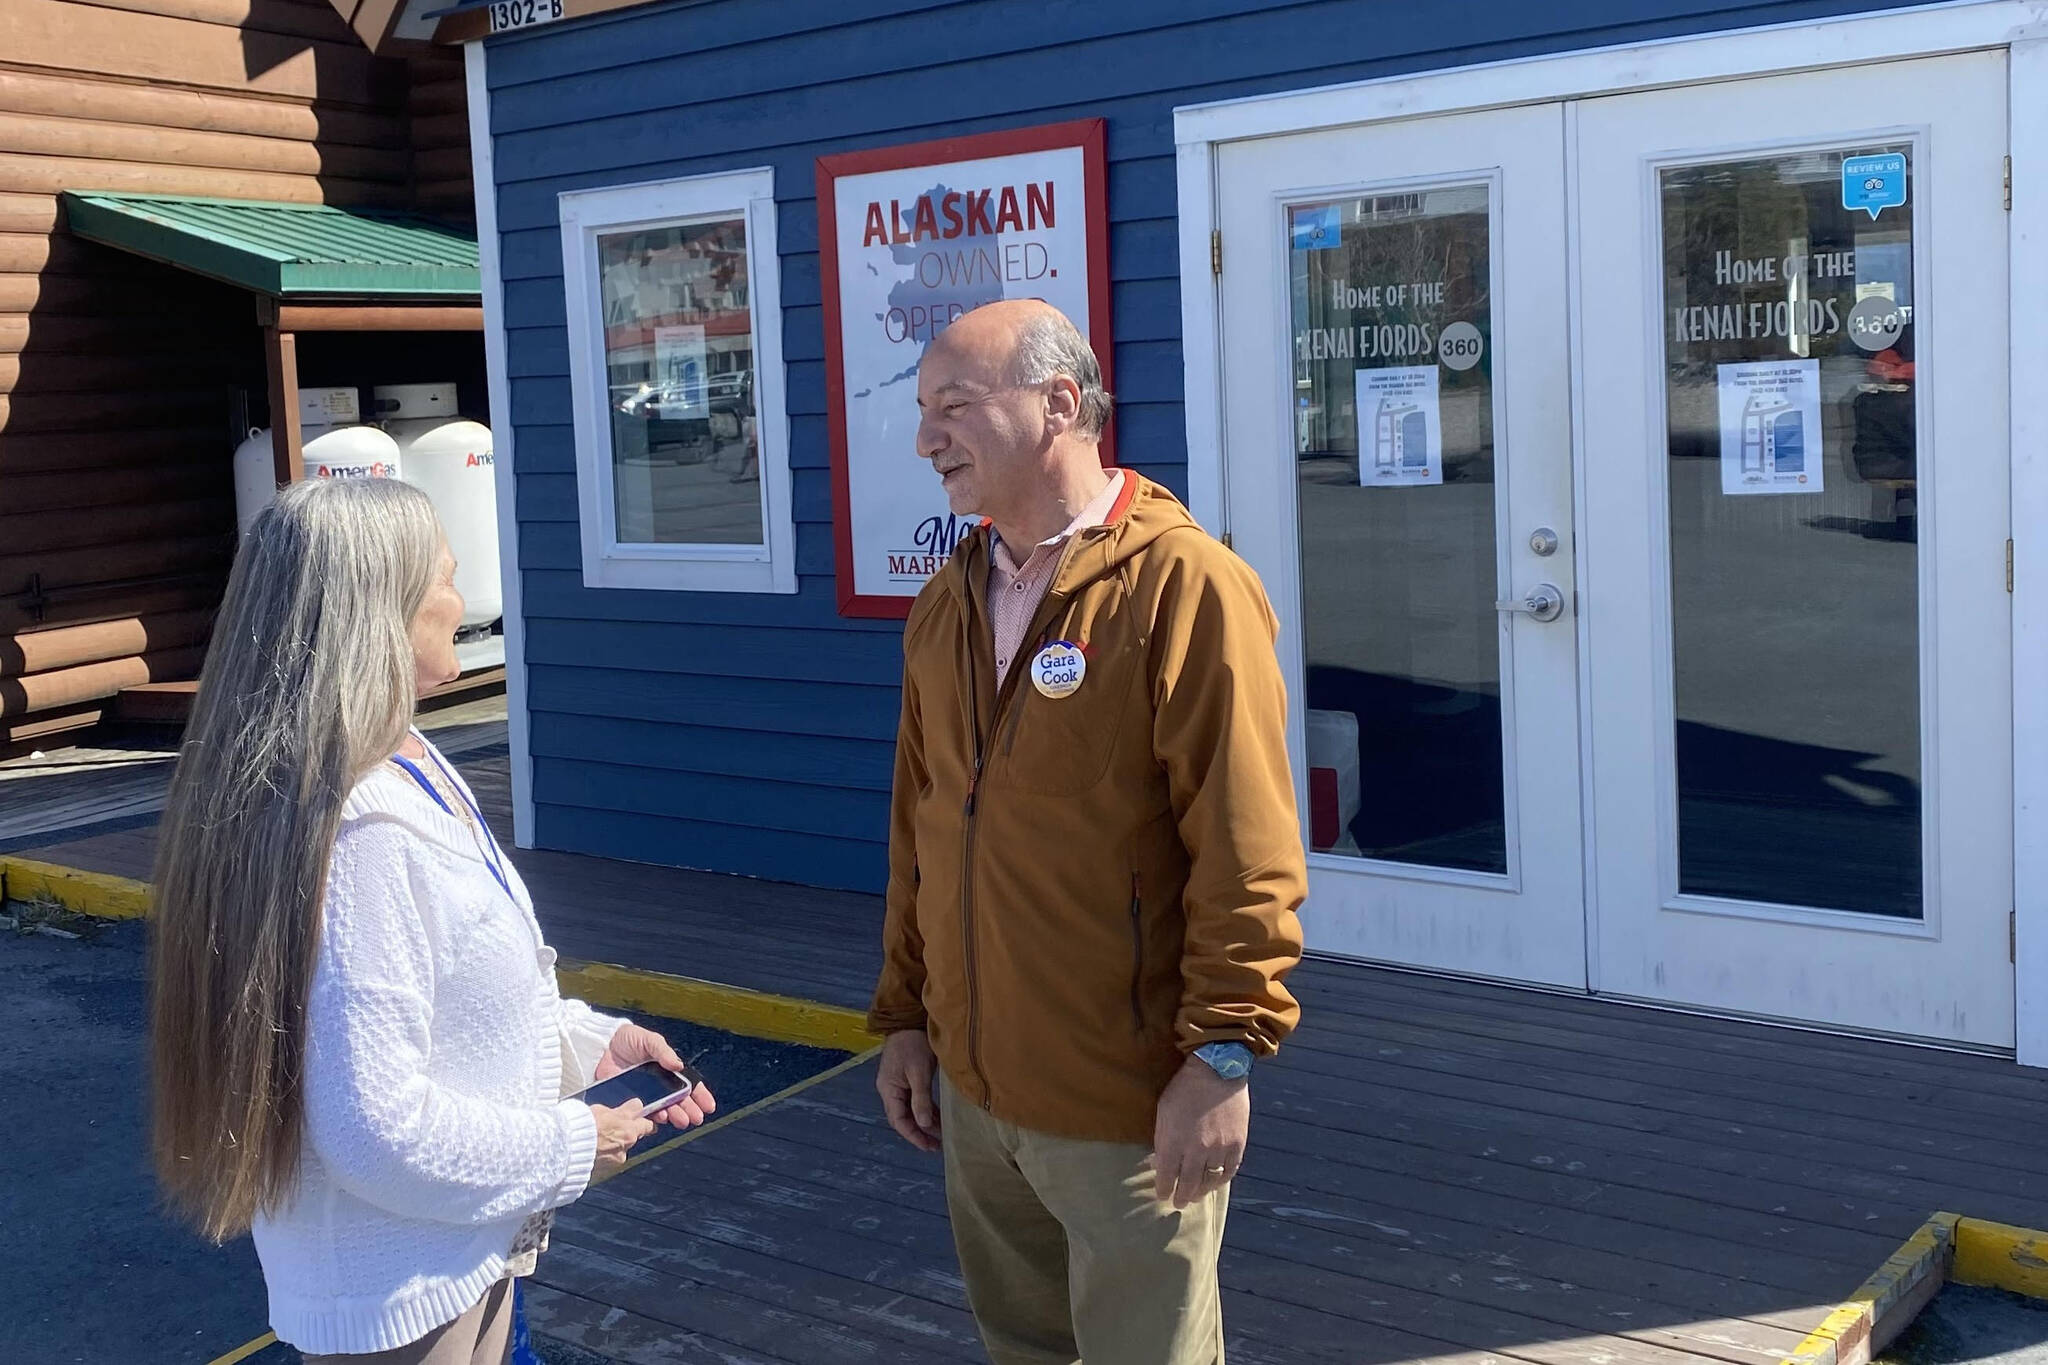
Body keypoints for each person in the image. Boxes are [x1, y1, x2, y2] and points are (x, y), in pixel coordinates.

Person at [149, 477, 715, 1364]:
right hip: (406, 1308)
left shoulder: (406, 755)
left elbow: (449, 1000)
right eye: (446, 577)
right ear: (382, 610)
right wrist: (576, 1136)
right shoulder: (359, 826)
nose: (463, 600)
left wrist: (581, 1047)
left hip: (471, 1263)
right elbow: (377, 1129)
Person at [870, 300, 1307, 1364]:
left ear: (1059, 404)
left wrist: (1219, 1060)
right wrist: (906, 1018)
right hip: (975, 1098)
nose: (925, 439)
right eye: (923, 411)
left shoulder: (1183, 587)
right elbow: (920, 831)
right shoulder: (948, 602)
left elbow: (1245, 853)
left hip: (1127, 1106)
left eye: (954, 408)